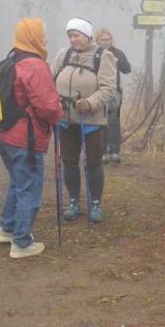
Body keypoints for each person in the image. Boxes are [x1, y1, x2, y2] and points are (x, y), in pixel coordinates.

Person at [0, 18, 63, 259]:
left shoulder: (12, 59)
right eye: (42, 34)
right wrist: (60, 110)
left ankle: (7, 228)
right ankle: (21, 243)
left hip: (4, 134)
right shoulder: (35, 65)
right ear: (33, 36)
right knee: (29, 187)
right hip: (26, 139)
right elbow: (48, 107)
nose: (46, 38)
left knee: (17, 181)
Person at [53, 18, 117, 222]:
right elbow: (49, 78)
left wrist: (90, 103)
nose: (73, 40)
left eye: (77, 35)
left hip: (92, 120)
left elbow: (108, 89)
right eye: (70, 36)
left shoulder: (103, 56)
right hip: (65, 118)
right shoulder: (63, 54)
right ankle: (74, 202)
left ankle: (96, 203)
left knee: (93, 162)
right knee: (69, 161)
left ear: (87, 35)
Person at [95, 28, 131, 164]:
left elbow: (127, 70)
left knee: (114, 122)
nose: (106, 42)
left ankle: (115, 151)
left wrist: (118, 61)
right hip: (97, 92)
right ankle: (102, 152)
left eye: (108, 39)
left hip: (115, 93)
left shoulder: (118, 53)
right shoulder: (94, 53)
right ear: (97, 40)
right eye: (103, 39)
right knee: (100, 122)